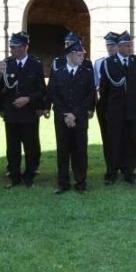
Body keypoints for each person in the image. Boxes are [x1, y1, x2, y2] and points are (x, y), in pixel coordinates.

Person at [0, 31, 46, 188]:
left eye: (17, 47)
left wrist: (30, 100)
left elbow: (41, 89)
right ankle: (14, 176)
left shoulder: (35, 63)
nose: (13, 51)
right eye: (12, 47)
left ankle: (29, 175)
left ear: (26, 47)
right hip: (12, 112)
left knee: (30, 145)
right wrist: (0, 73)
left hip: (29, 111)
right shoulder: (7, 63)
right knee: (12, 147)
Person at [48, 41, 97, 194]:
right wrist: (66, 114)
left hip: (79, 118)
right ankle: (63, 183)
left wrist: (74, 114)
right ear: (69, 56)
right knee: (63, 150)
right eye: (79, 54)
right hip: (62, 118)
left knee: (80, 150)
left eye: (83, 54)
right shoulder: (58, 72)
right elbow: (53, 95)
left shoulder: (87, 73)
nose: (82, 57)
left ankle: (81, 182)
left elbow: (90, 96)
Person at [98, 30, 136, 185]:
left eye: (131, 45)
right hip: (114, 109)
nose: (130, 48)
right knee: (113, 141)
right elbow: (104, 88)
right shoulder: (108, 63)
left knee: (132, 141)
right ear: (118, 47)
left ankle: (129, 171)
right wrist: (105, 109)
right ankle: (111, 172)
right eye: (126, 45)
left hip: (132, 108)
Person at [93, 32, 120, 170]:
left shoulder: (123, 61)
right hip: (104, 104)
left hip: (119, 103)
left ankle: (122, 164)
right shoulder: (99, 63)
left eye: (113, 45)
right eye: (108, 45)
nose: (110, 48)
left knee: (121, 136)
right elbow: (95, 84)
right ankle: (110, 165)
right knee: (107, 135)